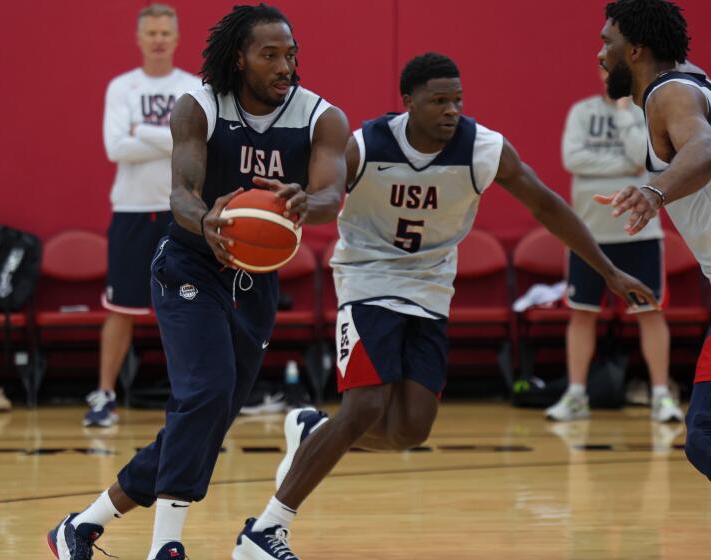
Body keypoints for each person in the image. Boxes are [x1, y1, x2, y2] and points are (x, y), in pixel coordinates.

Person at [232, 52, 658, 560]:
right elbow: (325, 197)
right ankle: (266, 530)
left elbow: (546, 204)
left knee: (410, 431)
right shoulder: (366, 145)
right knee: (365, 406)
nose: (451, 110)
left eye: (457, 99)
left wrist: (608, 271)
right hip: (367, 279)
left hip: (431, 288)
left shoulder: (483, 149)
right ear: (407, 104)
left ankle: (309, 431)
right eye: (438, 101)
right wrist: (303, 202)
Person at [48, 4, 349, 559]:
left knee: (204, 420)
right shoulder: (201, 105)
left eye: (291, 54)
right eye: (270, 54)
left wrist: (312, 201)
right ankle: (167, 547)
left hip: (256, 281)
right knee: (205, 393)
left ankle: (80, 527)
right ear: (239, 59)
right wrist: (205, 217)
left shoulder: (321, 117)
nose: (286, 65)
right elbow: (182, 192)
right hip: (189, 264)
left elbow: (333, 192)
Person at [592, 0, 711, 480]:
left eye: (607, 42)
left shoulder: (669, 96)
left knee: (704, 435)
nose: (600, 54)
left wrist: (653, 191)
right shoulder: (689, 80)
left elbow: (704, 148)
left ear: (636, 50)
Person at [85, 4, 201, 428]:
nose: (157, 39)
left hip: (182, 210)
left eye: (164, 32)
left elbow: (198, 145)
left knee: (192, 307)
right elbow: (116, 149)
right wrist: (174, 138)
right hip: (132, 211)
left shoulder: (193, 87)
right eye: (150, 32)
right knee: (121, 308)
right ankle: (104, 395)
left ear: (176, 38)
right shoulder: (122, 88)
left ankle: (192, 398)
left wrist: (143, 133)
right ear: (139, 38)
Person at [545, 67, 681, 423]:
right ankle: (576, 396)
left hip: (638, 232)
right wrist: (624, 165)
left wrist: (623, 115)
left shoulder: (643, 111)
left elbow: (642, 157)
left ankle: (661, 396)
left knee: (650, 312)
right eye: (605, 69)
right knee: (581, 313)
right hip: (587, 234)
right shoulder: (582, 112)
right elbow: (572, 159)